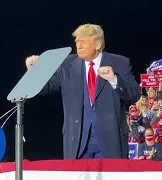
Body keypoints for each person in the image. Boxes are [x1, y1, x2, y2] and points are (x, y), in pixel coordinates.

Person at [25, 23, 140, 159]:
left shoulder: (120, 63)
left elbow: (134, 95)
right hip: (77, 141)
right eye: (77, 41)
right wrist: (34, 72)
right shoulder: (67, 64)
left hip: (111, 140)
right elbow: (46, 87)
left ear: (97, 45)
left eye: (83, 42)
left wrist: (114, 79)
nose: (78, 46)